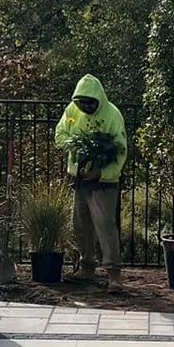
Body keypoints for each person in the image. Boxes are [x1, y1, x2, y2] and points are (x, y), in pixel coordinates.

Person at [53, 74, 127, 285]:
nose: (85, 106)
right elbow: (60, 135)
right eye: (81, 102)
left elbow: (120, 151)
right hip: (80, 180)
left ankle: (114, 274)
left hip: (104, 183)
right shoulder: (72, 111)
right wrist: (76, 144)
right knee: (80, 224)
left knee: (105, 226)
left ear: (99, 99)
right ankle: (87, 267)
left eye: (89, 103)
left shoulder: (112, 115)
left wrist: (102, 173)